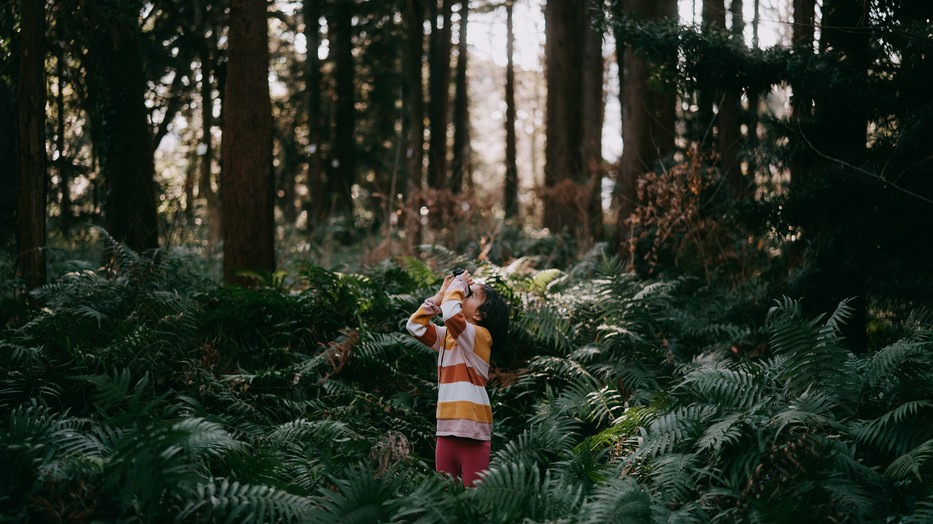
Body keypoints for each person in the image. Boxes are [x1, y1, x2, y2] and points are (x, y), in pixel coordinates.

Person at [406, 269, 510, 487]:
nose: (463, 293)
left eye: (470, 294)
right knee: (445, 495)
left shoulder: (481, 337)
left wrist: (459, 284)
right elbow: (414, 326)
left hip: (473, 430)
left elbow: (451, 315)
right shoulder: (448, 336)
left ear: (480, 315)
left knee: (475, 502)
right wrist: (439, 297)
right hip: (446, 427)